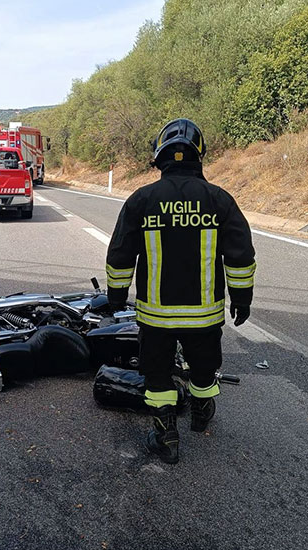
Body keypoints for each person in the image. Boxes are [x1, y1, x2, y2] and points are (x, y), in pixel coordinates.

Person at [105, 118, 257, 464]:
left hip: (155, 317)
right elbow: (240, 255)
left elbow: (120, 253)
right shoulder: (219, 200)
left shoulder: (141, 200)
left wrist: (116, 294)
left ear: (158, 158)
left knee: (157, 376)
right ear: (199, 156)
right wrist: (242, 298)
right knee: (203, 369)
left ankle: (165, 437)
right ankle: (202, 412)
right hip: (204, 316)